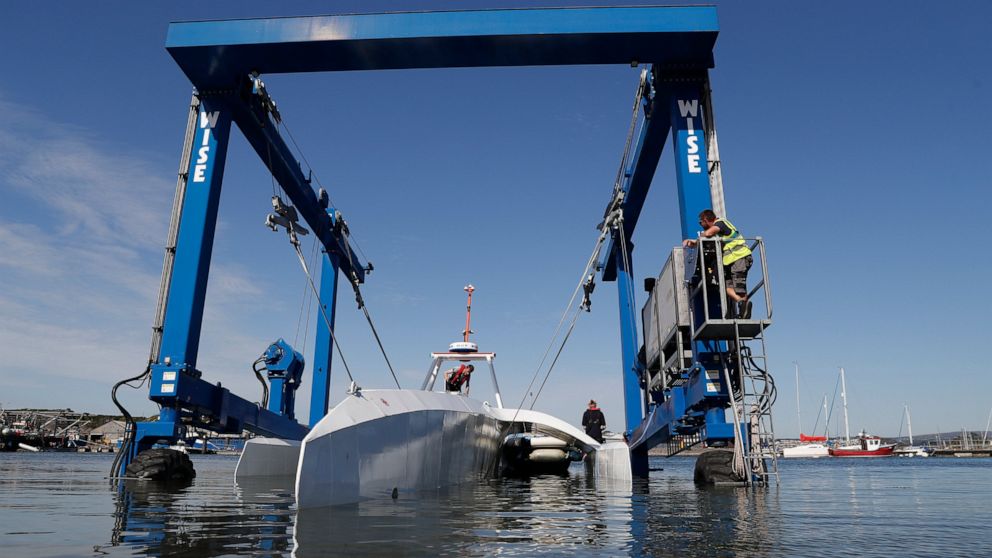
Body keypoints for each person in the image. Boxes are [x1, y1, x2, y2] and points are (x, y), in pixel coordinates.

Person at [682, 209, 754, 319]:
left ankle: (745, 312)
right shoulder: (719, 230)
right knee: (726, 286)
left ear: (706, 220)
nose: (700, 225)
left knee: (739, 288)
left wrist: (695, 241)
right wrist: (694, 243)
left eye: (700, 222)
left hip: (740, 257)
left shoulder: (720, 223)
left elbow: (709, 233)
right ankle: (741, 304)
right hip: (732, 261)